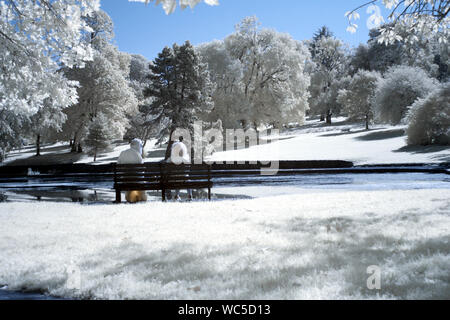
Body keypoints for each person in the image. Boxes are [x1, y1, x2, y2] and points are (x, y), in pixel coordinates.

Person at [117, 139, 148, 203]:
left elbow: (118, 166)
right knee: (138, 180)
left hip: (125, 181)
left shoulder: (123, 153)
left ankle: (130, 197)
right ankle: (140, 197)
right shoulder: (138, 155)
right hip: (137, 181)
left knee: (130, 180)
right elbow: (141, 171)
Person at [168, 136, 192, 201]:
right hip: (184, 177)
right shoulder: (185, 158)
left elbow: (168, 161)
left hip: (175, 178)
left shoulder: (172, 159)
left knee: (177, 178)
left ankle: (176, 195)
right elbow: (188, 162)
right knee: (186, 178)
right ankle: (189, 195)